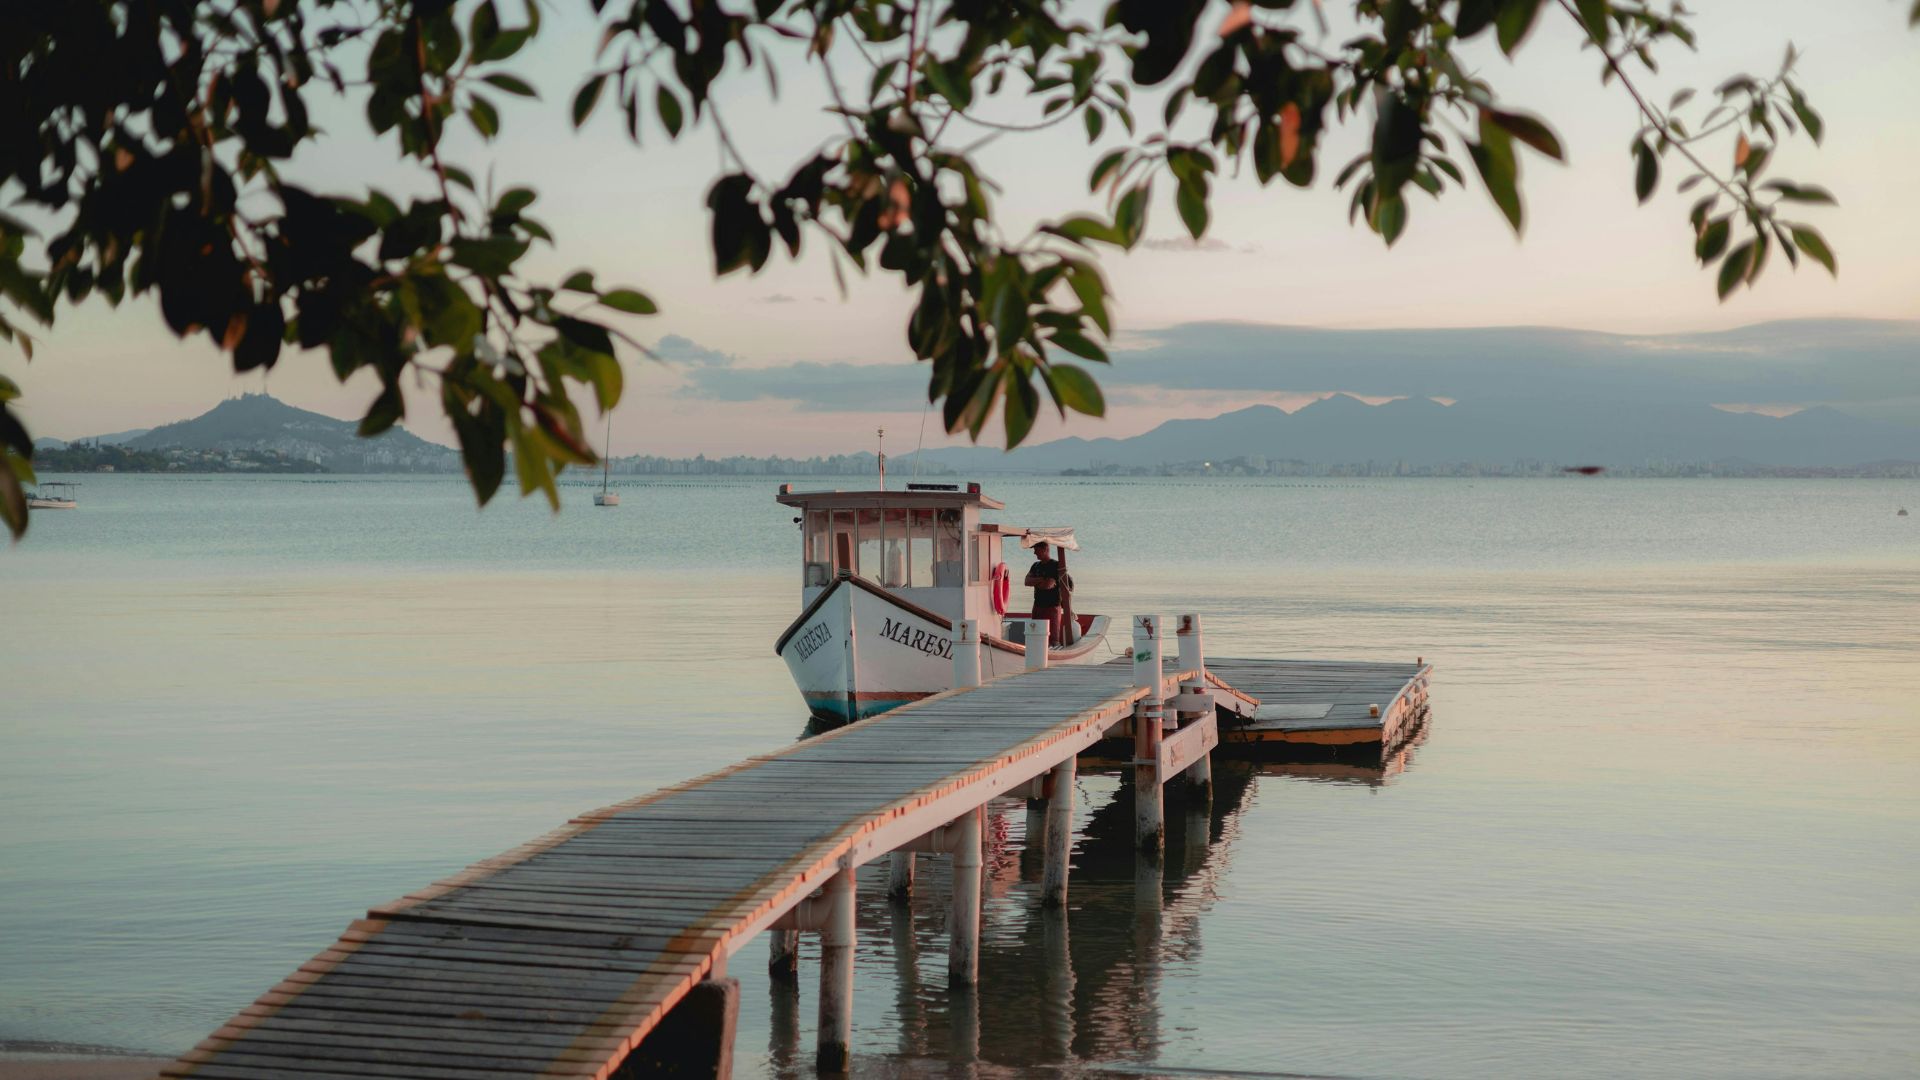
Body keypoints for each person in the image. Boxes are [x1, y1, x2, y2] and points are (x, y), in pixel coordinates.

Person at [1025, 541, 1065, 648]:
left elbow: (1048, 585)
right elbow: (1026, 581)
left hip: (1052, 606)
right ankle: (1037, 651)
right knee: (1036, 633)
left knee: (1053, 637)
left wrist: (1036, 582)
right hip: (1037, 605)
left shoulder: (1056, 565)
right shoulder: (1035, 565)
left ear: (1045, 549)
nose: (1034, 553)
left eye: (1036, 550)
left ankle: (1053, 653)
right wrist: (1041, 579)